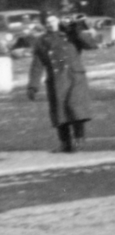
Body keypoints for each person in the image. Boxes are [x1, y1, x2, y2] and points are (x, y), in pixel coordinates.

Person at [27, 12, 99, 153]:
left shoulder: (70, 34)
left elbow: (91, 44)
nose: (49, 23)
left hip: (74, 77)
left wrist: (76, 30)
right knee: (60, 114)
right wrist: (33, 86)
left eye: (52, 20)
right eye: (47, 21)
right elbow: (37, 65)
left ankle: (79, 139)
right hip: (56, 80)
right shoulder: (42, 41)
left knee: (75, 108)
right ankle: (65, 143)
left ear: (58, 21)